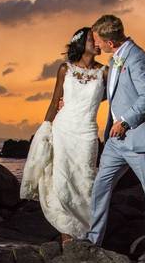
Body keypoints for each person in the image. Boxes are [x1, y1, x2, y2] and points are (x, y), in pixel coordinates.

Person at [86, 14, 145, 263]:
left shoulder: (138, 58)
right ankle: (93, 240)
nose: (95, 45)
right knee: (100, 188)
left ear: (110, 43)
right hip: (115, 142)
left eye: (98, 41)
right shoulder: (115, 59)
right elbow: (114, 94)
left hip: (139, 140)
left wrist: (125, 121)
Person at [19, 27, 107, 245]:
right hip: (62, 130)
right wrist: (45, 128)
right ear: (80, 43)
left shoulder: (105, 72)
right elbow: (54, 100)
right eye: (92, 39)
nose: (98, 42)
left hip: (86, 133)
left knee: (86, 181)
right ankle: (67, 235)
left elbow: (110, 97)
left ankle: (87, 234)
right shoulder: (64, 69)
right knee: (61, 182)